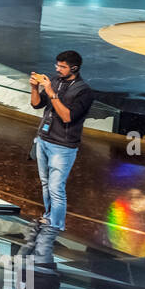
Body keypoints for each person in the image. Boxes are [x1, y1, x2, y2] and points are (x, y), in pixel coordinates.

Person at [24, 50, 94, 264]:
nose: (57, 69)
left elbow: (67, 116)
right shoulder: (55, 81)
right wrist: (35, 88)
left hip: (63, 146)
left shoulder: (85, 92)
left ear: (74, 68)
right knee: (45, 184)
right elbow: (36, 105)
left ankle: (56, 226)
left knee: (56, 187)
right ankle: (48, 217)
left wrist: (51, 91)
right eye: (57, 66)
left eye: (62, 67)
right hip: (44, 139)